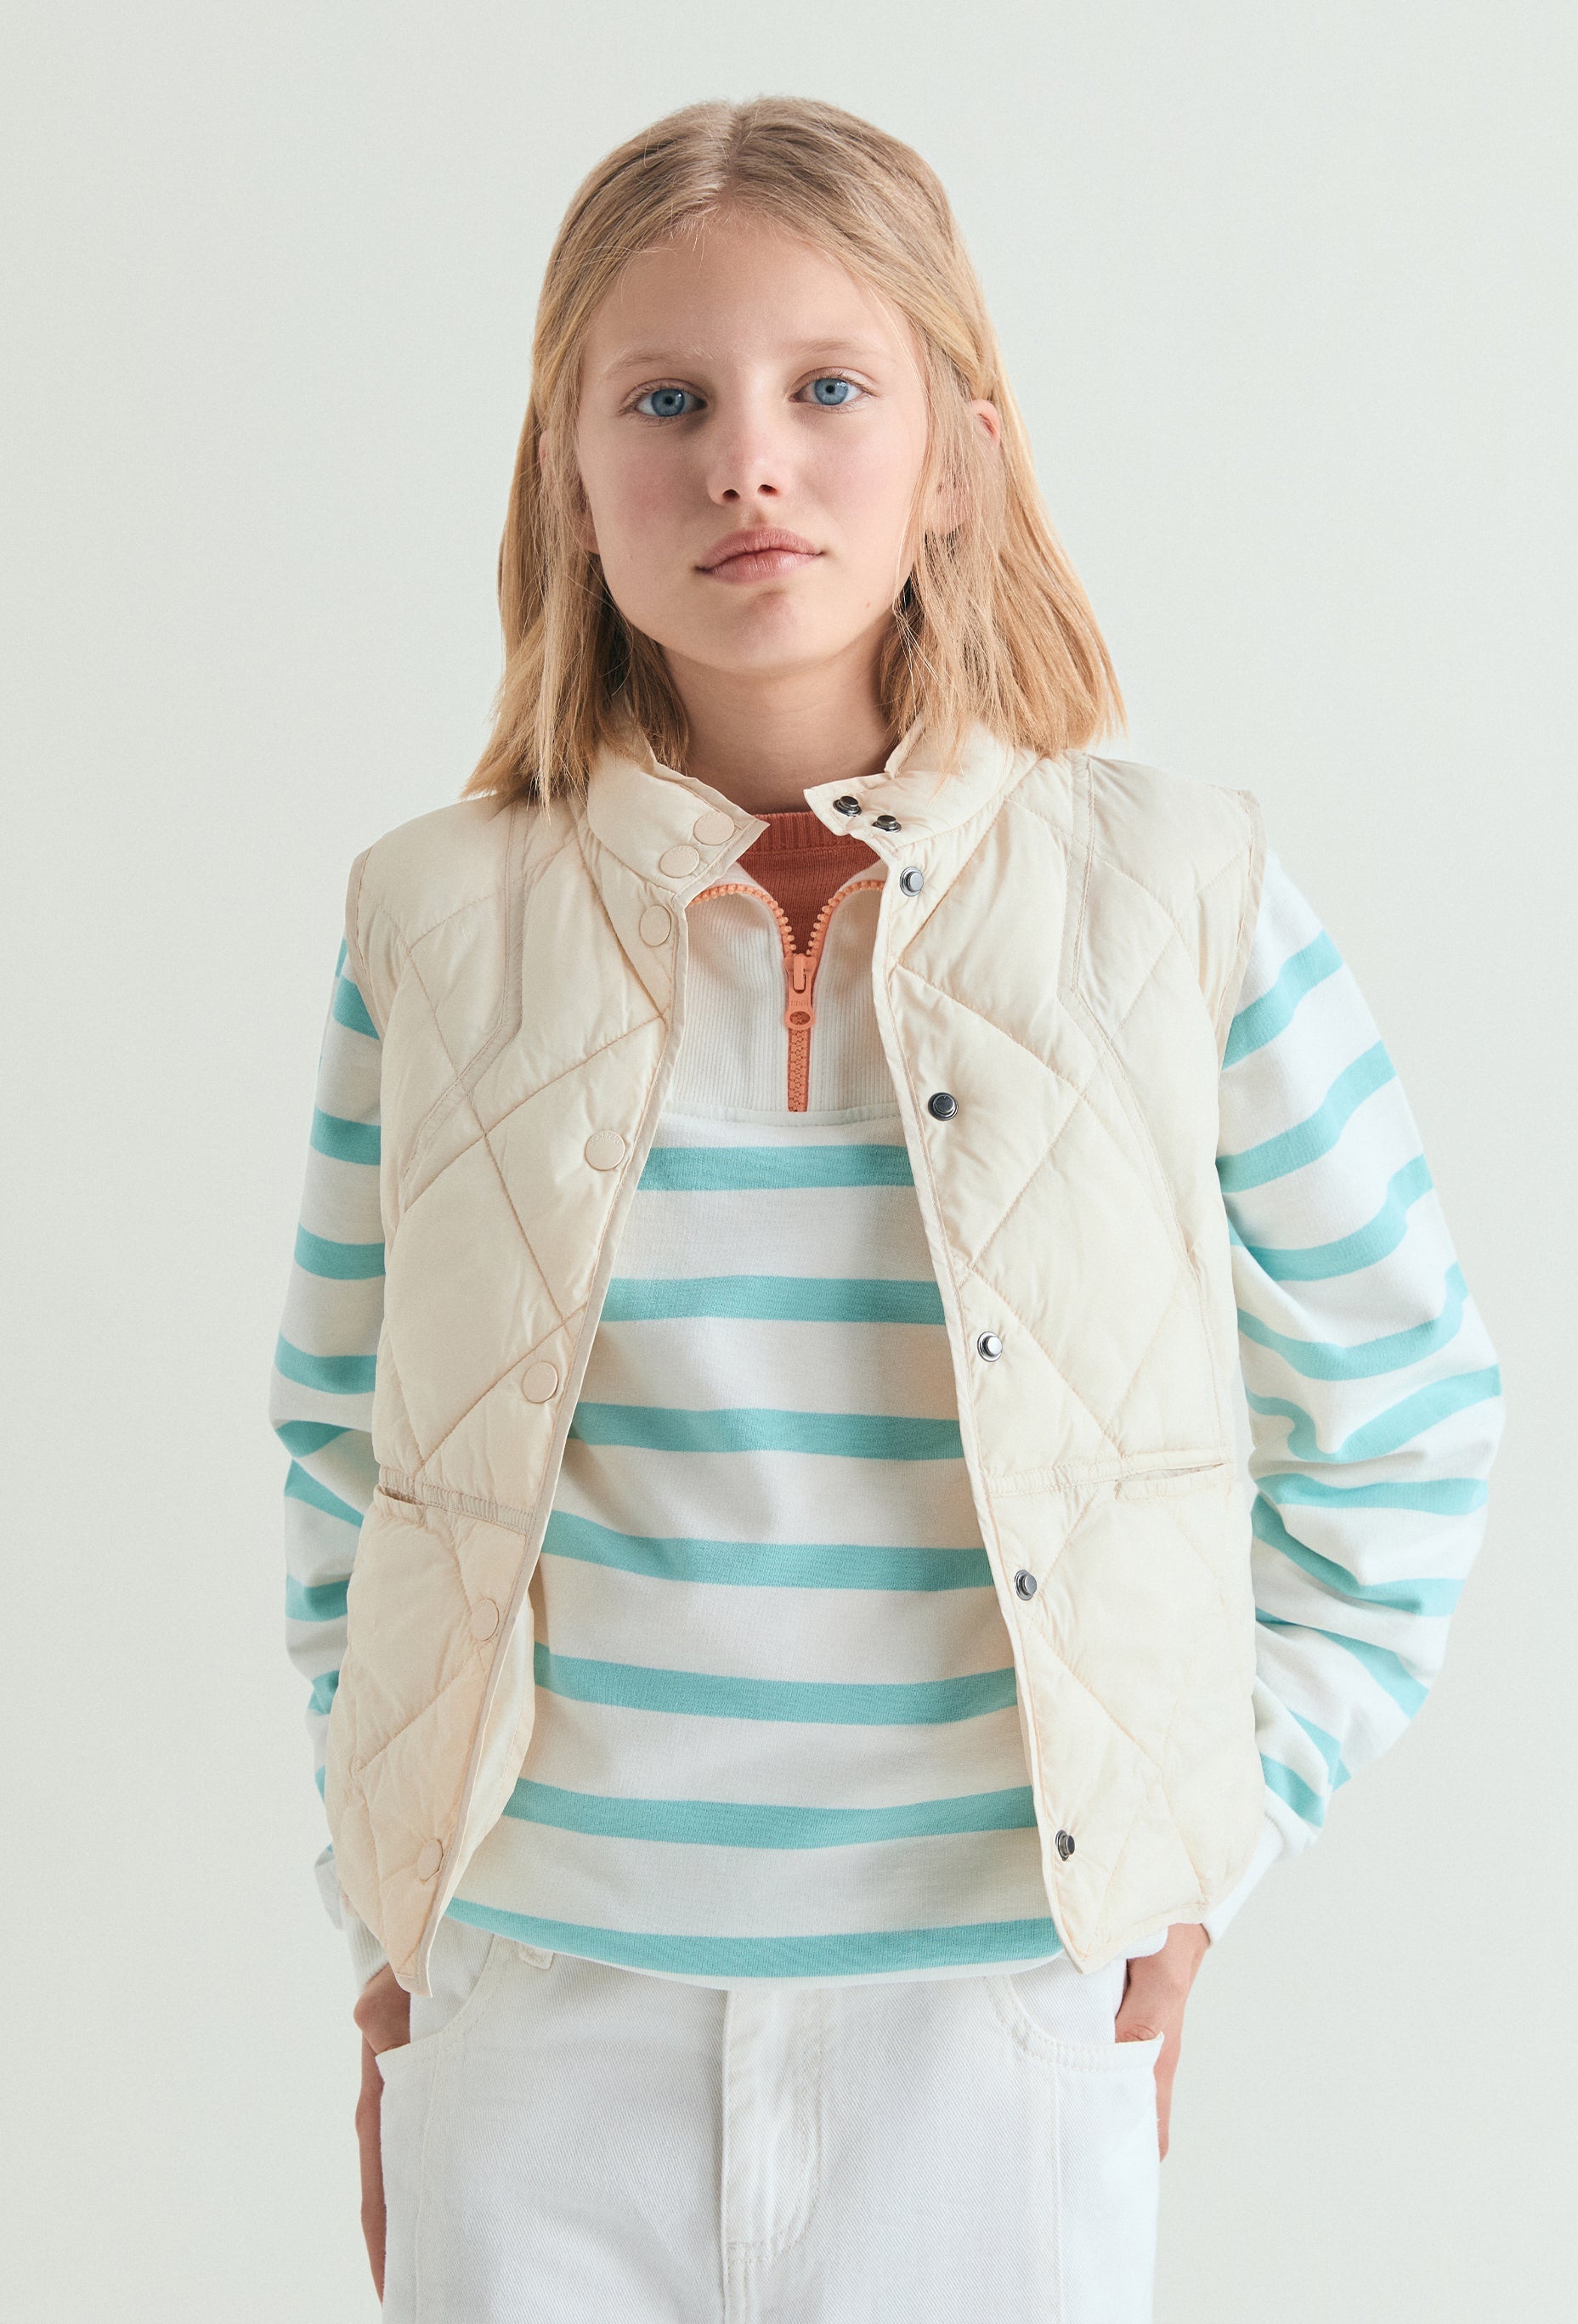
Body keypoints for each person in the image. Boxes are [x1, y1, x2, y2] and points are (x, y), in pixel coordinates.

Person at [269, 96, 1503, 2323]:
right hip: (538, 2018)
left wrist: (1201, 1851)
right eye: (666, 401)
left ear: (955, 458)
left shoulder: (1175, 895)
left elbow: (1404, 1417)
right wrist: (395, 1924)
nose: (749, 463)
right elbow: (346, 1451)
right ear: (569, 481)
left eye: (828, 387)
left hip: (992, 2021)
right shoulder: (435, 920)